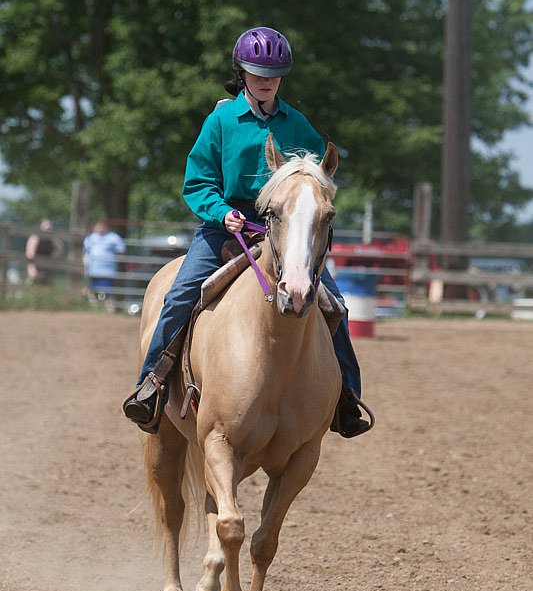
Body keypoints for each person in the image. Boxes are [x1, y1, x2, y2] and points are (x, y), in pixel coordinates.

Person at [123, 26, 370, 438]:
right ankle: (152, 383)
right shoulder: (221, 121)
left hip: (284, 231)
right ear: (242, 72)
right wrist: (222, 213)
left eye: (274, 73)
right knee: (182, 293)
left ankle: (346, 398)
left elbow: (315, 184)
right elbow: (197, 181)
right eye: (257, 72)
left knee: (335, 304)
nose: (266, 80)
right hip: (226, 227)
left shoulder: (299, 127)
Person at [83, 220, 126, 309]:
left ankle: (110, 309)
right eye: (98, 226)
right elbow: (86, 253)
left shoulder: (113, 237)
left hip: (108, 271)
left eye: (102, 226)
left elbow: (121, 250)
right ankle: (94, 308)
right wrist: (85, 267)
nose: (100, 229)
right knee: (93, 291)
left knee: (108, 292)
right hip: (93, 270)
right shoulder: (91, 238)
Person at [25, 218, 64, 285]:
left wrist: (53, 258)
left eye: (49, 227)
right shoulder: (35, 238)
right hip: (36, 267)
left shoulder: (52, 240)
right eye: (45, 226)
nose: (48, 228)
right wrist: (31, 269)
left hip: (47, 269)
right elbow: (30, 254)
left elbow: (60, 250)